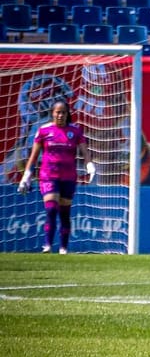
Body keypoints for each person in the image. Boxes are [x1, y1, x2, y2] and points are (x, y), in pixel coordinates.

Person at [18, 98, 96, 254]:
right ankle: (47, 245)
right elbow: (33, 156)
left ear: (67, 114)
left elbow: (84, 151)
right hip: (48, 175)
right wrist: (26, 176)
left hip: (68, 177)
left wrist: (89, 165)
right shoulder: (44, 131)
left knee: (64, 213)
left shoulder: (75, 131)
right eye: (58, 112)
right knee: (51, 209)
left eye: (63, 113)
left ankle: (63, 248)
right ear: (52, 113)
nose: (60, 115)